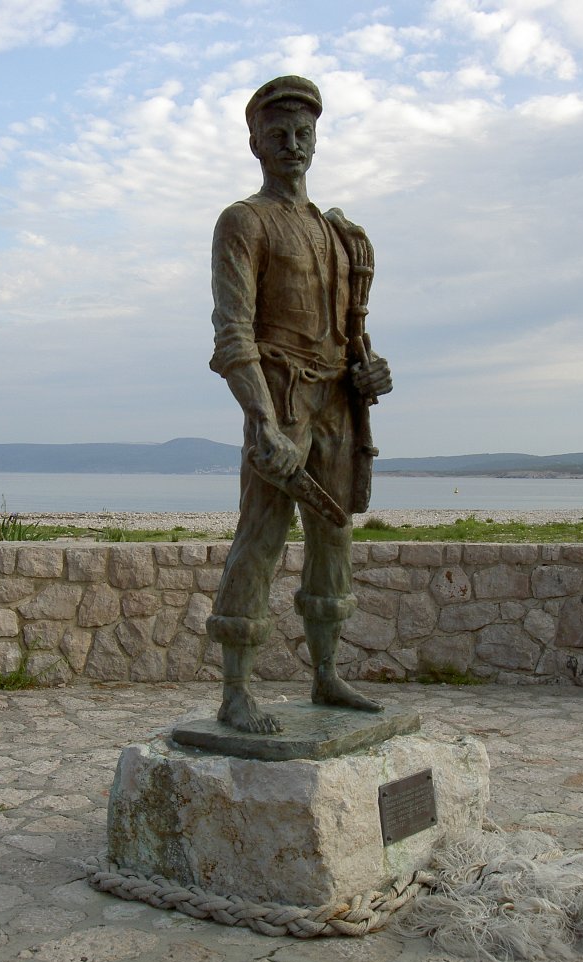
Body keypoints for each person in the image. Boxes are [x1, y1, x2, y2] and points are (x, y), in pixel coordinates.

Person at [207, 76, 392, 734]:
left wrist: (369, 372)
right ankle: (236, 690)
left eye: (304, 132)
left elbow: (350, 330)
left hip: (337, 404)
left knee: (332, 538)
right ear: (255, 140)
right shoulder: (244, 221)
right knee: (259, 536)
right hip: (280, 398)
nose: (293, 144)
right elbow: (234, 336)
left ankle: (326, 674)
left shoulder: (340, 233)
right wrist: (261, 419)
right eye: (279, 132)